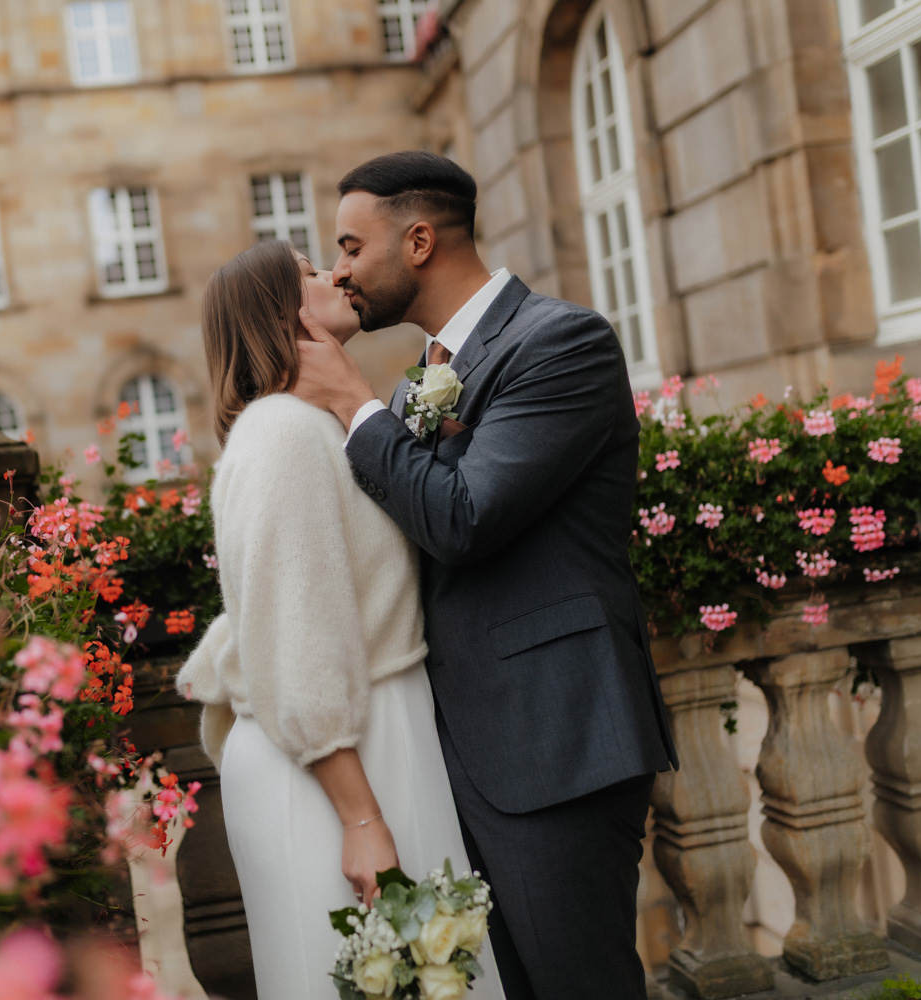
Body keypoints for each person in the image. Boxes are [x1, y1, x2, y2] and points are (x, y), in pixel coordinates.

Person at [289, 150, 678, 1000]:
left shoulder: (560, 341)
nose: (343, 270)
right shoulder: (418, 380)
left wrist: (350, 403)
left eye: (352, 247)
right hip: (456, 747)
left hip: (555, 736)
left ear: (419, 240)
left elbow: (464, 516)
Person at [177, 240, 505, 1000]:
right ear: (280, 311)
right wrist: (362, 820)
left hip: (366, 737)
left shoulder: (310, 425)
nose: (338, 276)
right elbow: (298, 645)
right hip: (340, 759)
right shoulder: (284, 435)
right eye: (312, 272)